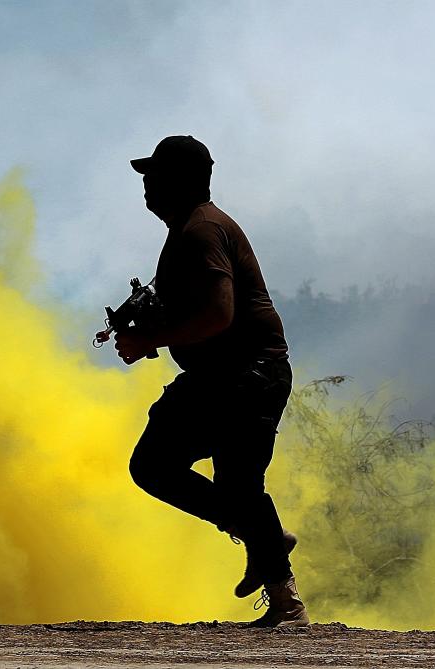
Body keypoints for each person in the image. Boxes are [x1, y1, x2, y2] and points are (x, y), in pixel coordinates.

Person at [106, 135, 308, 627]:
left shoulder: (200, 232)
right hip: (229, 375)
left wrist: (151, 334)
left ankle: (278, 583)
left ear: (177, 182)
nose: (146, 185)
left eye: (153, 175)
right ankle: (271, 562)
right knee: (220, 482)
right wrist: (151, 333)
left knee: (168, 468)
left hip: (246, 376)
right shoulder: (192, 230)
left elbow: (219, 314)